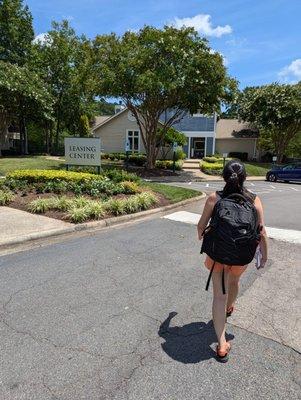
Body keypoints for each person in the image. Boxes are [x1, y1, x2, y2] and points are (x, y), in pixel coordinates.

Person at [197, 160, 268, 362]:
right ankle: (230, 307)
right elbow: (262, 232)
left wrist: (202, 235)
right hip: (240, 256)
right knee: (234, 281)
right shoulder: (254, 200)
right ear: (244, 178)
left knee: (218, 296)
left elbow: (200, 226)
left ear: (224, 177)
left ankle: (221, 344)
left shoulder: (215, 198)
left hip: (218, 255)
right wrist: (264, 255)